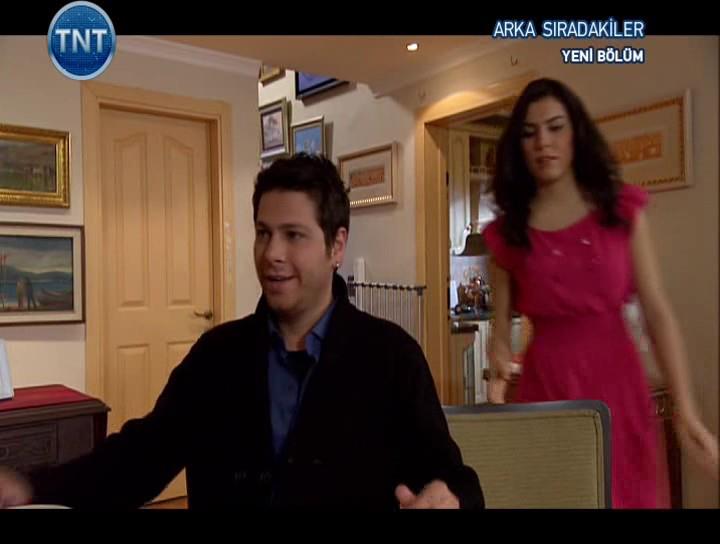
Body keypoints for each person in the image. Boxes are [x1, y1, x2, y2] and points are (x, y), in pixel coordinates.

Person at [0, 153, 483, 510]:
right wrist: (32, 487)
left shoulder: (391, 356)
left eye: (293, 235)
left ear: (337, 246)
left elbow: (452, 476)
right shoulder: (217, 355)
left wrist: (449, 495)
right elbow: (141, 456)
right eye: (263, 233)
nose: (271, 254)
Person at [482, 77, 718, 508]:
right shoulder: (508, 232)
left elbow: (657, 312)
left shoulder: (619, 209)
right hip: (547, 391)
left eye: (555, 127)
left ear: (576, 132)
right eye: (530, 133)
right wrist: (497, 372)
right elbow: (499, 334)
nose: (543, 142)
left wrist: (686, 412)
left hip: (617, 387)